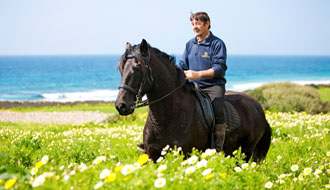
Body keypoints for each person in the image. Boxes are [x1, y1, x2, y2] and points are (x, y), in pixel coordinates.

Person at [179, 12, 227, 152]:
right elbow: (182, 64)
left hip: (213, 86)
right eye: (193, 24)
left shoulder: (217, 43)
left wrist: (197, 74)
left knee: (218, 111)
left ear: (207, 24)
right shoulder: (189, 44)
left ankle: (217, 148)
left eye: (198, 23)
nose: (195, 27)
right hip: (192, 86)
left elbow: (219, 68)